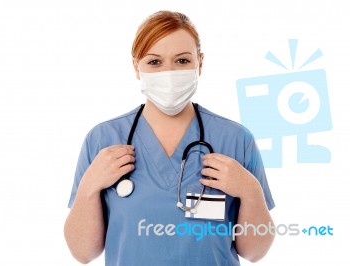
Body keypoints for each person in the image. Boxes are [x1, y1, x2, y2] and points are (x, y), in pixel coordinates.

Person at [64, 10, 275, 265]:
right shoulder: (103, 140)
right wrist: (88, 188)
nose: (169, 73)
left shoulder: (236, 139)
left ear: (200, 62)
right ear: (136, 66)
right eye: (154, 62)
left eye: (182, 61)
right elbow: (83, 253)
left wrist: (251, 192)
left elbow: (255, 252)